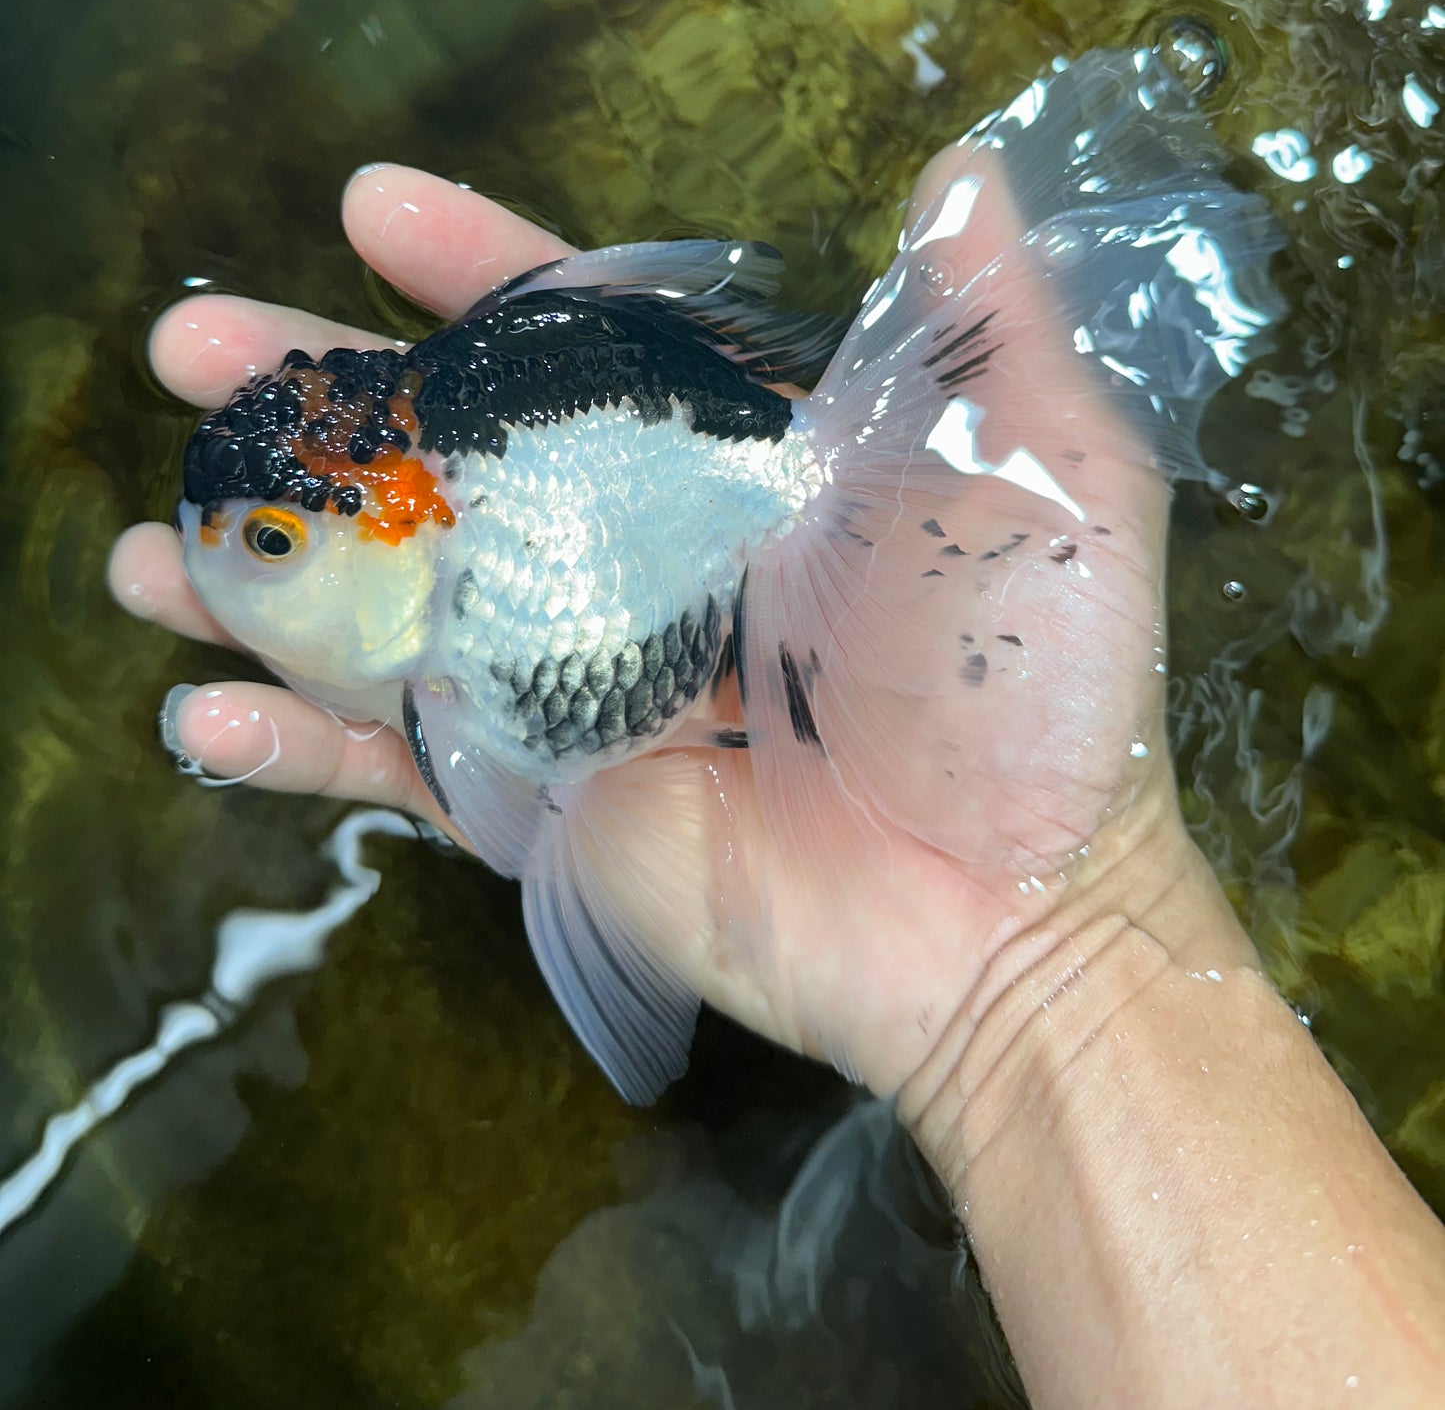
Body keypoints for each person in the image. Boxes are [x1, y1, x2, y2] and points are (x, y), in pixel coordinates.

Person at [109, 162, 1445, 1408]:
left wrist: (1048, 964)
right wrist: (1043, 989)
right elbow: (512, 802)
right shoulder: (445, 633)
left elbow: (510, 801)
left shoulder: (479, 618)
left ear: (403, 534)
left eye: (274, 545)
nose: (239, 567)